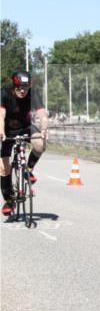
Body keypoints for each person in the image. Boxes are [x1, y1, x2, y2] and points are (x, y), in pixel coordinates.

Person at [1, 70, 49, 216]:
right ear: (14, 86)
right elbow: (1, 115)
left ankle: (28, 170)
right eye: (20, 88)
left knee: (40, 144)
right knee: (4, 168)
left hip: (25, 127)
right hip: (7, 130)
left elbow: (42, 114)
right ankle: (9, 201)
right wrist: (1, 132)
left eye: (26, 88)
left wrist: (44, 129)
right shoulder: (4, 93)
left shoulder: (33, 94)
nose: (23, 91)